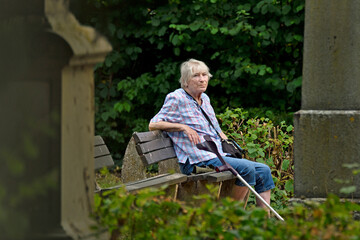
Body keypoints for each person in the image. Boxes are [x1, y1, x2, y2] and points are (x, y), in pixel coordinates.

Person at [149, 58, 275, 212]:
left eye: (204, 75)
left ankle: (264, 221)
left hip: (216, 154)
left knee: (263, 170)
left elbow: (216, 128)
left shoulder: (205, 99)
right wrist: (183, 127)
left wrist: (229, 145)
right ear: (185, 81)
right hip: (197, 160)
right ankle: (227, 215)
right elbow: (153, 124)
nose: (202, 79)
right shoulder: (177, 98)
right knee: (247, 168)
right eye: (196, 75)